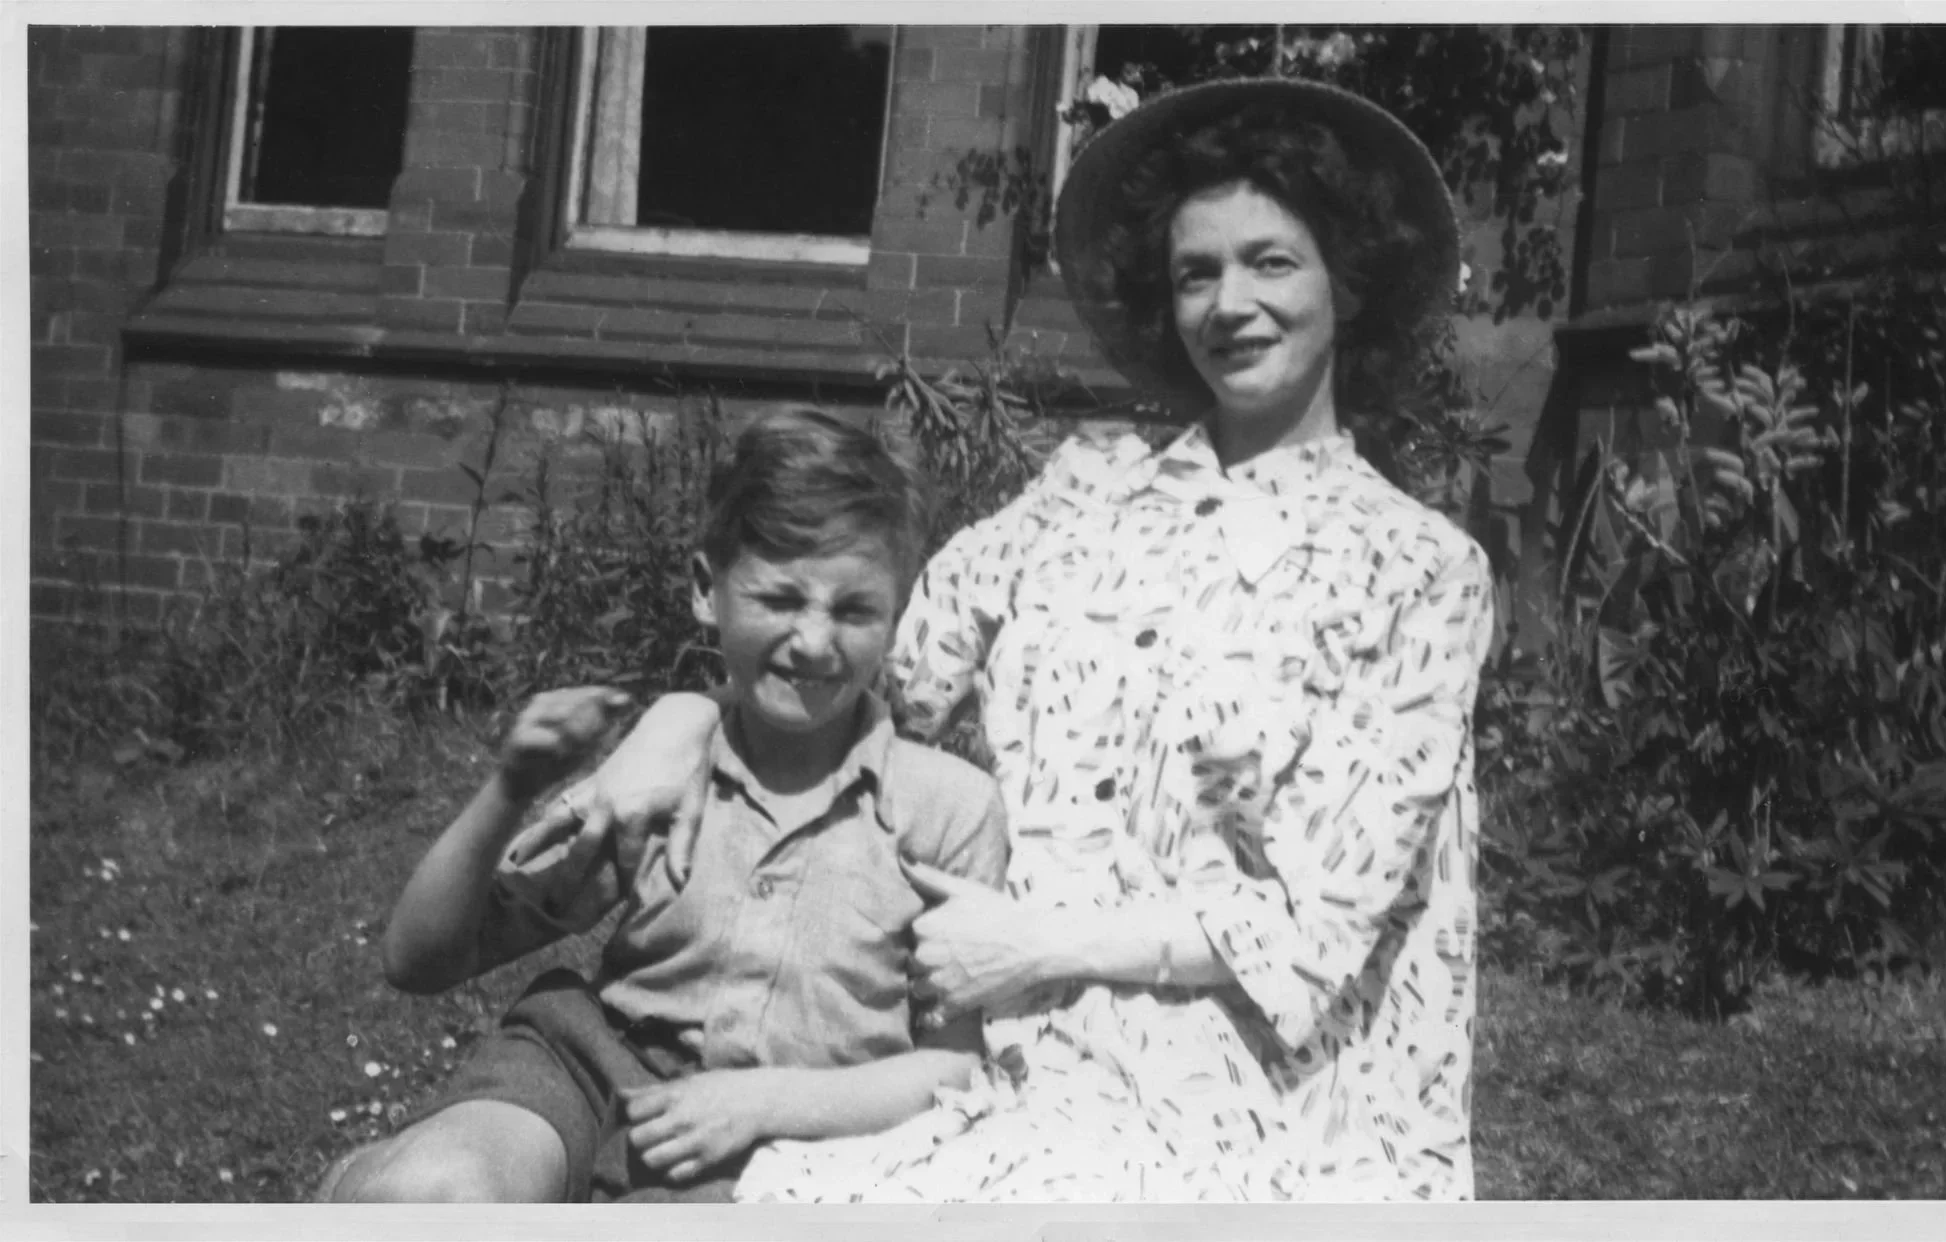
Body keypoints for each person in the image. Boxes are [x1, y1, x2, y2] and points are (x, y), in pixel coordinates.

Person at [543, 76, 1494, 1202]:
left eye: (1271, 262)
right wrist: (682, 717)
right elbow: (849, 674)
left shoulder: (1415, 570)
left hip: (1271, 1090)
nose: (1228, 303)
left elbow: (1314, 928)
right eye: (1196, 273)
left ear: (1347, 279)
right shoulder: (1078, 500)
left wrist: (1036, 943)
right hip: (1015, 1043)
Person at [318, 408, 1009, 1202]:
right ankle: (385, 1186)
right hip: (592, 1075)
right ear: (706, 591)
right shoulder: (659, 770)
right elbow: (420, 960)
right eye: (779, 598)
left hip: (794, 1141)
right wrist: (510, 788)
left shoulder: (947, 810)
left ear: (895, 614)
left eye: (854, 610)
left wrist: (764, 1104)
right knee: (435, 1194)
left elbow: (957, 1064)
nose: (815, 642)